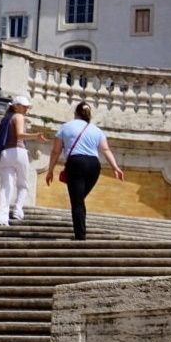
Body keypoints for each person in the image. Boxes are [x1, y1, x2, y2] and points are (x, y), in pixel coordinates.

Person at [46, 101, 124, 239]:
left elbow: (55, 151)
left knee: (77, 202)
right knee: (79, 201)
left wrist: (50, 169)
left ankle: (80, 237)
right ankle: (80, 232)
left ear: (76, 113)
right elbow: (105, 149)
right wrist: (115, 167)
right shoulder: (96, 130)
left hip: (76, 163)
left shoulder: (65, 127)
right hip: (94, 165)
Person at [0, 95, 42, 227]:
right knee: (23, 185)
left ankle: (1, 217)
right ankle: (17, 210)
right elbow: (20, 135)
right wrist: (35, 136)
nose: (27, 108)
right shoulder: (19, 117)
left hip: (5, 154)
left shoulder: (5, 119)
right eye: (24, 106)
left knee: (6, 186)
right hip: (19, 152)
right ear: (16, 106)